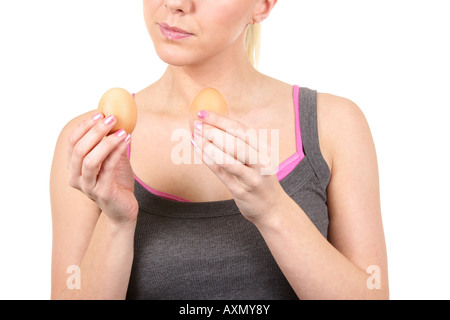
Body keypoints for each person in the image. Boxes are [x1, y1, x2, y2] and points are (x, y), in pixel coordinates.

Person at [50, 0, 389, 300]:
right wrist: (116, 221)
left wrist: (273, 209)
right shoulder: (96, 143)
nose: (176, 3)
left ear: (264, 5)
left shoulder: (334, 125)